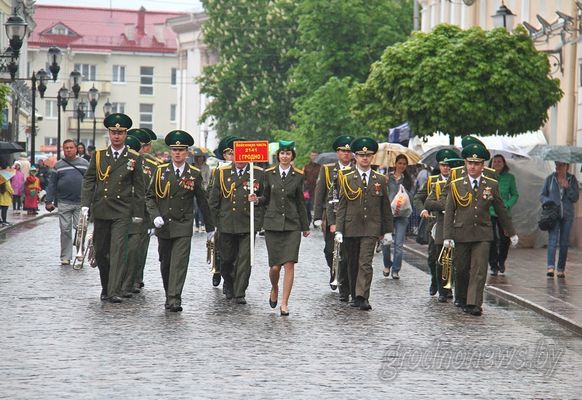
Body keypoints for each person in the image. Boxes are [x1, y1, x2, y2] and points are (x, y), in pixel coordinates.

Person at [443, 143, 518, 316]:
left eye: (476, 164)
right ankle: (462, 296)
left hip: (483, 233)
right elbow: (450, 211)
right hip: (461, 233)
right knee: (462, 269)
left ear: (482, 165)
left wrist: (511, 232)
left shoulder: (491, 184)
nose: (473, 167)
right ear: (465, 164)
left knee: (479, 269)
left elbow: (501, 209)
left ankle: (474, 303)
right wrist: (448, 236)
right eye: (470, 163)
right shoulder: (456, 184)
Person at [146, 130, 214, 312]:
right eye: (175, 150)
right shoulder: (160, 171)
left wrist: (210, 227)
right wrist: (155, 216)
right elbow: (150, 197)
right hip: (164, 223)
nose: (177, 153)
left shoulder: (194, 173)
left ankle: (175, 298)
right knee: (166, 263)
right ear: (170, 152)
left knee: (179, 262)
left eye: (181, 150)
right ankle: (169, 293)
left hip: (183, 223)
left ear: (187, 153)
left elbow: (202, 201)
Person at [81, 113, 145, 303]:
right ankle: (106, 285)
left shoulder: (133, 157)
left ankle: (114, 290)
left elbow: (139, 187)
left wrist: (138, 213)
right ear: (109, 134)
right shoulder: (99, 156)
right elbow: (89, 180)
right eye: (114, 132)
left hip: (122, 210)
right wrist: (85, 205)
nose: (117, 136)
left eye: (121, 133)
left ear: (125, 134)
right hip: (102, 209)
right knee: (101, 251)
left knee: (118, 251)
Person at [250, 141, 310, 316]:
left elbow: (300, 202)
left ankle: (284, 303)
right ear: (278, 156)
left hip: (292, 225)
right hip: (273, 225)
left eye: (288, 153)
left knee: (289, 264)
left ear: (292, 156)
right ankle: (274, 287)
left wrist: (305, 226)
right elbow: (265, 198)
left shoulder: (298, 176)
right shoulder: (269, 174)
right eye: (282, 153)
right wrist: (256, 199)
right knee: (275, 267)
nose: (285, 156)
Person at [334, 137, 393, 310]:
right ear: (356, 157)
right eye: (361, 155)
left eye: (368, 155)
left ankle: (363, 296)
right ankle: (354, 294)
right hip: (351, 226)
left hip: (371, 227)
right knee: (352, 263)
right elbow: (342, 205)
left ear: (372, 157)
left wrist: (387, 231)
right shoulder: (346, 178)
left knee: (365, 263)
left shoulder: (380, 179)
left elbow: (385, 207)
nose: (365, 158)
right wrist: (339, 230)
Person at [208, 137, 265, 305]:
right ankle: (229, 282)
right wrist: (213, 224)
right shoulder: (222, 172)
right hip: (226, 223)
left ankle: (240, 292)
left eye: (242, 156)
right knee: (226, 259)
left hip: (248, 224)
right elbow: (214, 201)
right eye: (235, 155)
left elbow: (265, 198)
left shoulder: (258, 173)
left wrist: (258, 218)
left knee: (245, 260)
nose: (238, 159)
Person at [413, 148, 460, 298]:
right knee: (434, 257)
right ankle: (435, 280)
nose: (446, 168)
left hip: (454, 224)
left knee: (450, 258)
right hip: (434, 223)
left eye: (449, 165)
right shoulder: (432, 181)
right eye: (443, 165)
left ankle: (446, 288)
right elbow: (418, 198)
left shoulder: (459, 181)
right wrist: (423, 210)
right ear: (439, 166)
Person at [312, 135, 354, 299]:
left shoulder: (356, 168)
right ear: (337, 153)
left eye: (348, 151)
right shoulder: (328, 169)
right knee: (330, 250)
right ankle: (334, 271)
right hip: (332, 215)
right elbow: (320, 192)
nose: (346, 154)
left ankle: (344, 286)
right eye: (343, 151)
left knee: (347, 253)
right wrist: (317, 216)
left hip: (351, 216)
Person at [45, 139, 90, 265]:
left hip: (81, 202)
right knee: (65, 230)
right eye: (66, 148)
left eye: (71, 147)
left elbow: (91, 181)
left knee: (81, 229)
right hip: (64, 202)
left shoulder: (85, 163)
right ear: (63, 150)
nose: (68, 150)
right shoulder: (58, 165)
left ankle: (80, 252)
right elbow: (52, 184)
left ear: (76, 149)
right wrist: (49, 201)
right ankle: (66, 256)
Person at [126, 128, 159, 290]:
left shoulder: (153, 165)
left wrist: (154, 217)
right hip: (123, 209)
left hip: (143, 212)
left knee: (139, 249)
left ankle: (135, 278)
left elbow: (155, 193)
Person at [207, 136, 238, 288]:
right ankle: (218, 270)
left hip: (237, 215)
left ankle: (231, 278)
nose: (232, 156)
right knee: (219, 246)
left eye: (235, 153)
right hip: (221, 215)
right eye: (229, 153)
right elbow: (210, 192)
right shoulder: (217, 171)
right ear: (224, 155)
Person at [539, 161, 579, 278]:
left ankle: (561, 269)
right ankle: (550, 267)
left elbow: (575, 197)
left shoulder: (572, 179)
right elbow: (542, 195)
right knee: (552, 239)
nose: (558, 167)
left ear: (567, 166)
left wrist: (567, 187)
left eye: (561, 165)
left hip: (567, 215)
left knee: (564, 242)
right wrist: (548, 201)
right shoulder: (550, 179)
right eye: (557, 164)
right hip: (553, 214)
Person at [383, 154, 414, 279]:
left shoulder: (408, 180)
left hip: (402, 215)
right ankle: (387, 264)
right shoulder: (387, 178)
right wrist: (384, 182)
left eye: (404, 164)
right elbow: (382, 194)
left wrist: (404, 192)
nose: (401, 166)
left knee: (399, 244)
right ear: (395, 164)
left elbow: (412, 196)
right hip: (388, 214)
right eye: (400, 163)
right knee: (386, 242)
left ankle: (396, 269)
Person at [488, 154, 519, 276]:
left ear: (504, 164)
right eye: (494, 161)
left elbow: (515, 195)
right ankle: (493, 264)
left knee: (505, 238)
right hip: (489, 211)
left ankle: (501, 260)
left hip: (504, 212)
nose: (496, 164)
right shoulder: (487, 177)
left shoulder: (510, 178)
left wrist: (508, 204)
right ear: (491, 164)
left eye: (499, 161)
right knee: (491, 238)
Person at [303, 150, 321, 227]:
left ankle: (316, 221)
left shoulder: (321, 167)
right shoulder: (307, 166)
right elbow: (303, 177)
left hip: (318, 189)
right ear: (310, 156)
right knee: (307, 206)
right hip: (308, 190)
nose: (314, 157)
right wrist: (305, 184)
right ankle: (308, 219)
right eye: (312, 155)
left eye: (315, 155)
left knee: (317, 206)